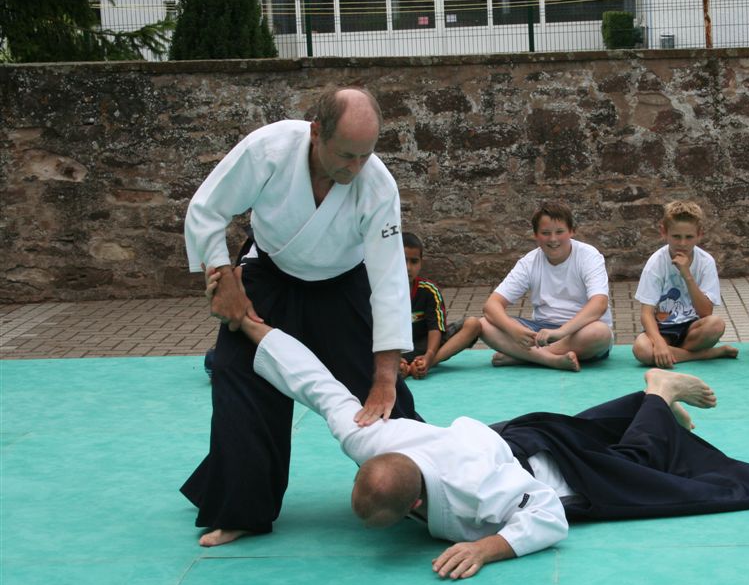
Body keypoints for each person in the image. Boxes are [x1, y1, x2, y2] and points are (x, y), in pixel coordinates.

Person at [226, 304, 749, 580]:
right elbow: (318, 387)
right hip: (515, 431)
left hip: (541, 468)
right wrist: (248, 323)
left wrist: (487, 548)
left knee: (640, 472)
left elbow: (549, 516)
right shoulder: (372, 439)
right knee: (584, 429)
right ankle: (642, 402)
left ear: (414, 505)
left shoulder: (481, 494)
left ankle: (656, 392)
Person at [181, 86, 422, 548]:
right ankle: (242, 509)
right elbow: (207, 209)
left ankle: (423, 487)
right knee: (240, 379)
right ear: (316, 133)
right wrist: (222, 278)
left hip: (343, 285)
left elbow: (390, 277)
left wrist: (386, 374)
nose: (356, 168)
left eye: (366, 156)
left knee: (382, 402)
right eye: (346, 155)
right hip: (269, 274)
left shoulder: (377, 184)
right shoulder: (269, 148)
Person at [480, 201, 614, 371]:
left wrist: (562, 332)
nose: (553, 239)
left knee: (600, 333)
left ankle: (523, 357)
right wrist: (514, 331)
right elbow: (491, 306)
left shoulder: (589, 256)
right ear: (535, 235)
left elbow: (599, 304)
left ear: (572, 231)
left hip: (580, 330)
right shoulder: (529, 262)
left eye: (559, 232)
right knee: (483, 324)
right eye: (545, 233)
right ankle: (551, 360)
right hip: (541, 331)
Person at [633, 201, 739, 367]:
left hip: (692, 327)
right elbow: (646, 314)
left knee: (716, 324)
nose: (682, 243)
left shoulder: (706, 262)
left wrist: (687, 274)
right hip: (664, 328)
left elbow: (706, 312)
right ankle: (708, 354)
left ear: (699, 235)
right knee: (641, 349)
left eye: (689, 237)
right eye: (676, 236)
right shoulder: (656, 262)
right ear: (664, 233)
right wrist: (660, 344)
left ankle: (673, 354)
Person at [400, 232, 482, 378]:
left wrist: (429, 357)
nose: (408, 268)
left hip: (426, 345)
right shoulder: (379, 291)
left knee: (473, 324)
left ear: (421, 262)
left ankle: (422, 366)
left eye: (414, 261)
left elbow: (435, 329)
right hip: (394, 349)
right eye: (403, 260)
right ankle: (399, 367)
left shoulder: (429, 290)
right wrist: (393, 359)